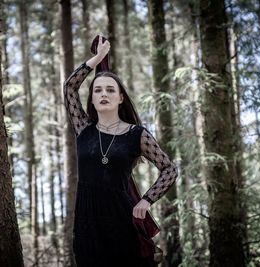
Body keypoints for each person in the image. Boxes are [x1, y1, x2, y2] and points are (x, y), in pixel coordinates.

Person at [63, 35, 179, 267]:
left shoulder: (136, 134)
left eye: (109, 90)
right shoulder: (83, 129)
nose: (103, 94)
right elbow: (70, 88)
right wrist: (97, 59)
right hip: (87, 223)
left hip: (123, 219)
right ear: (92, 99)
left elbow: (169, 169)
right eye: (97, 91)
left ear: (120, 97)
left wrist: (146, 200)